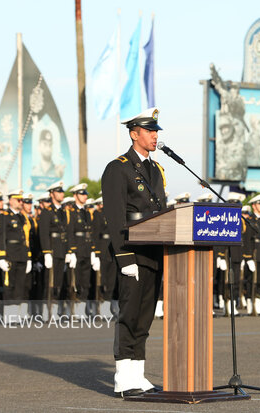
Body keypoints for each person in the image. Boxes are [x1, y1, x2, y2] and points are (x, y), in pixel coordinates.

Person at [101, 107, 166, 398]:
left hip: (153, 254)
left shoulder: (156, 169)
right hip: (132, 255)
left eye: (156, 131)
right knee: (129, 315)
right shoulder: (118, 168)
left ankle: (138, 374)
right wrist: (124, 257)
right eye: (149, 131)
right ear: (134, 134)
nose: (154, 136)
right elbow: (115, 217)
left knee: (145, 316)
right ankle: (123, 377)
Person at [38, 181, 75, 320]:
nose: (61, 194)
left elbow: (68, 232)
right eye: (58, 192)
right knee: (50, 281)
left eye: (62, 191)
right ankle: (49, 311)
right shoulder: (46, 212)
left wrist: (70, 251)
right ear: (51, 194)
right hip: (52, 250)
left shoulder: (64, 212)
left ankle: (58, 310)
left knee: (59, 281)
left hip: (62, 250)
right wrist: (46, 252)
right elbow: (44, 233)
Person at [0, 190, 32, 318]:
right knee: (9, 286)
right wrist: (1, 257)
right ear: (11, 200)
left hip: (22, 254)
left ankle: (16, 314)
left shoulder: (22, 217)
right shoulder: (4, 216)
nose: (21, 202)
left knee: (19, 286)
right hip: (10, 255)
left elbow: (25, 238)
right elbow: (0, 237)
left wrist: (28, 257)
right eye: (18, 200)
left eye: (22, 200)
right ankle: (9, 315)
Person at [67, 183, 99, 316]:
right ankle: (73, 310)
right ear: (75, 195)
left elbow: (90, 232)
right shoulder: (70, 212)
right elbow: (69, 232)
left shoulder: (86, 213)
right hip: (77, 250)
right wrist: (71, 251)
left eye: (85, 193)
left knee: (86, 281)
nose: (85, 196)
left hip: (86, 250)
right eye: (82, 193)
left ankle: (82, 310)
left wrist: (93, 251)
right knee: (76, 281)